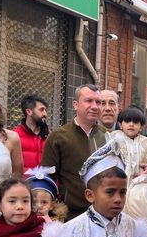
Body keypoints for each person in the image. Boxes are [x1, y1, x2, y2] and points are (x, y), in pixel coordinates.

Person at [42, 84, 107, 220]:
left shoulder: (108, 137)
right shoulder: (59, 136)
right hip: (71, 215)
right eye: (89, 101)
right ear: (75, 105)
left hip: (103, 213)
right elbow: (47, 178)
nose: (95, 106)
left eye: (98, 102)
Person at [14, 94, 49, 172]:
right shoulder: (15, 136)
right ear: (29, 112)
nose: (45, 114)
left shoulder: (50, 136)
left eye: (45, 110)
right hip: (24, 183)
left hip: (46, 183)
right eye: (41, 110)